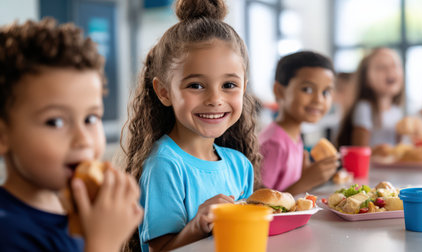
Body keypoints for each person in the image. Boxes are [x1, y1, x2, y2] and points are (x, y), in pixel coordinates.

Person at [121, 0, 260, 251]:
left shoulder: (240, 166)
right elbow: (159, 249)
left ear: (244, 87)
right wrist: (197, 225)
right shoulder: (165, 165)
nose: (215, 100)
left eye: (229, 85)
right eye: (196, 85)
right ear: (164, 92)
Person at [0, 18, 143, 251]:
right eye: (55, 122)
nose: (83, 139)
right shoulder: (8, 234)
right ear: (3, 136)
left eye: (91, 118)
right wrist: (104, 243)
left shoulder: (83, 211)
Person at [258, 51, 339, 195]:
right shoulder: (273, 143)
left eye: (325, 92)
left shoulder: (293, 136)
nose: (319, 100)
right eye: (307, 89)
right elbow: (258, 203)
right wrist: (306, 182)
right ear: (279, 91)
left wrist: (306, 175)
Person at [337, 48, 404, 147]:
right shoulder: (364, 108)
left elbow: (398, 146)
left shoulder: (396, 111)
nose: (390, 70)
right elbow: (360, 150)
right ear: (366, 79)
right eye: (381, 67)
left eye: (395, 65)